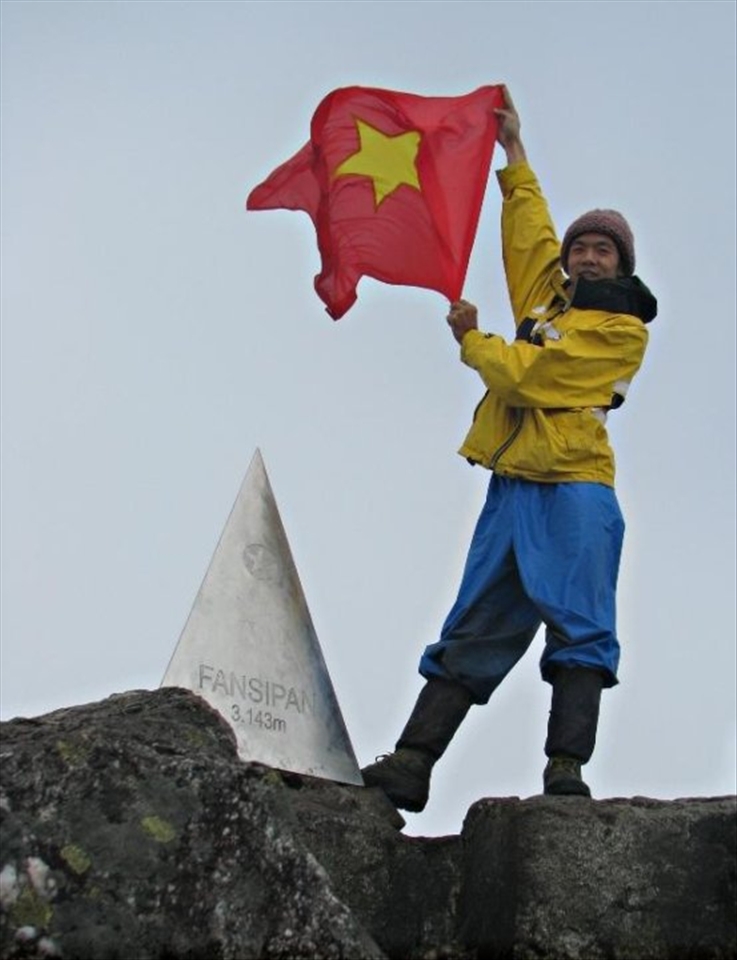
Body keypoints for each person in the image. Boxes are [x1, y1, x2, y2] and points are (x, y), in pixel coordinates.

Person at [362, 87, 657, 811]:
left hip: (575, 486)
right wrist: (512, 152)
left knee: (580, 625)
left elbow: (536, 376)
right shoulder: (547, 302)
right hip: (512, 485)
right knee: (474, 623)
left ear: (620, 266)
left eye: (602, 249)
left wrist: (472, 342)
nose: (586, 256)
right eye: (580, 247)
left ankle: (565, 770)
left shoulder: (621, 333)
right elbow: (528, 236)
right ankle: (411, 763)